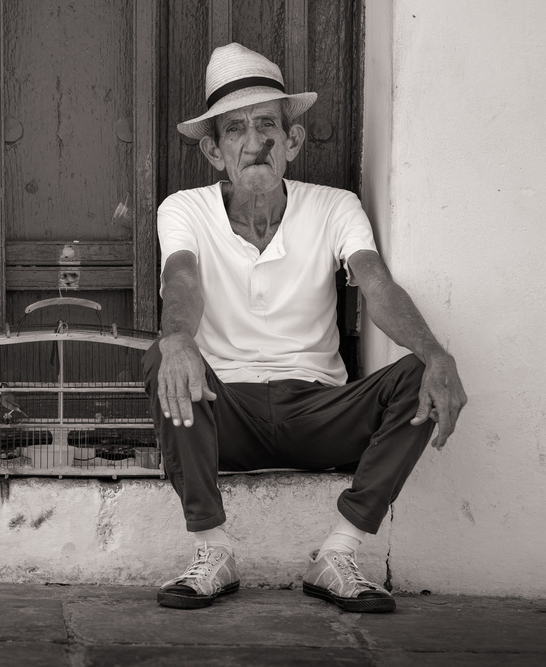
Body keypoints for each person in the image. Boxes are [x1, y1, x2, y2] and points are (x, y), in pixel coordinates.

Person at [144, 44, 466, 613]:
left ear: (291, 141)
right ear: (215, 153)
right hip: (225, 414)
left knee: (422, 370)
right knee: (164, 356)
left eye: (266, 123)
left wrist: (435, 352)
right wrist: (176, 339)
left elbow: (378, 286)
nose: (253, 142)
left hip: (318, 410)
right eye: (235, 130)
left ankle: (340, 554)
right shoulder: (184, 209)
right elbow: (183, 281)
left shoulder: (335, 206)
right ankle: (212, 551)